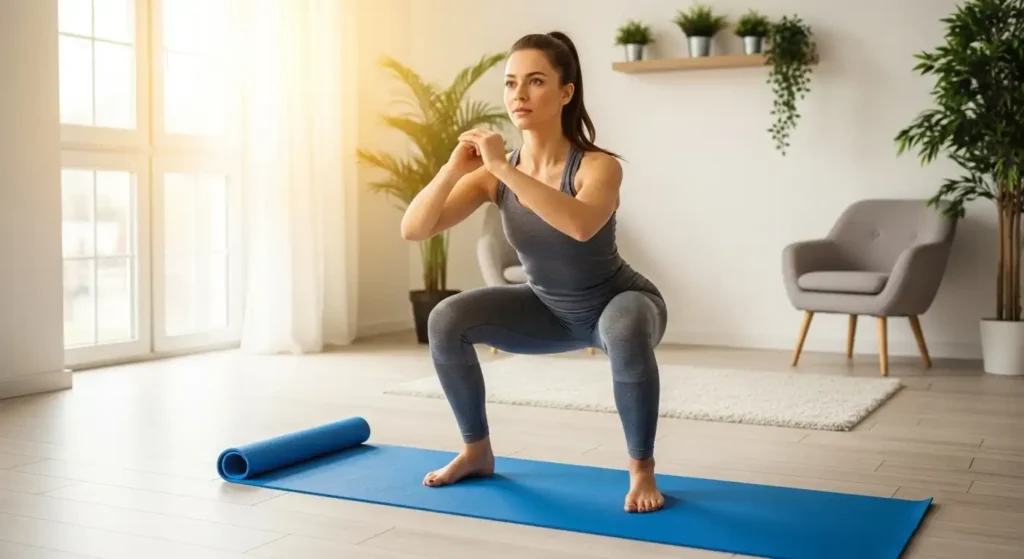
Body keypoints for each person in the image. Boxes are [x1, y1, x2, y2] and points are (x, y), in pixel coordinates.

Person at [398, 31, 668, 514]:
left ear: (566, 92)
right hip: (546, 309)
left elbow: (580, 226)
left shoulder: (599, 166)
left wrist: (503, 169)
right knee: (445, 319)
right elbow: (414, 229)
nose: (518, 94)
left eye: (536, 81)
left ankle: (641, 469)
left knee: (626, 328)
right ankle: (476, 451)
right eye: (510, 82)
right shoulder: (493, 174)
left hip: (619, 302)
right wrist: (453, 168)